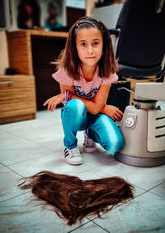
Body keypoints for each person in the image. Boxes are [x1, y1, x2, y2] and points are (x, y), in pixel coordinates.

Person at [43, 16, 124, 165]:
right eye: (83, 44)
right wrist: (103, 108)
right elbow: (73, 104)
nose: (90, 50)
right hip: (77, 115)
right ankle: (70, 146)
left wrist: (101, 108)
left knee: (115, 145)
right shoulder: (67, 70)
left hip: (95, 115)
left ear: (104, 46)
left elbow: (95, 109)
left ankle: (90, 133)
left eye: (95, 43)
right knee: (75, 106)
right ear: (75, 47)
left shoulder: (107, 71)